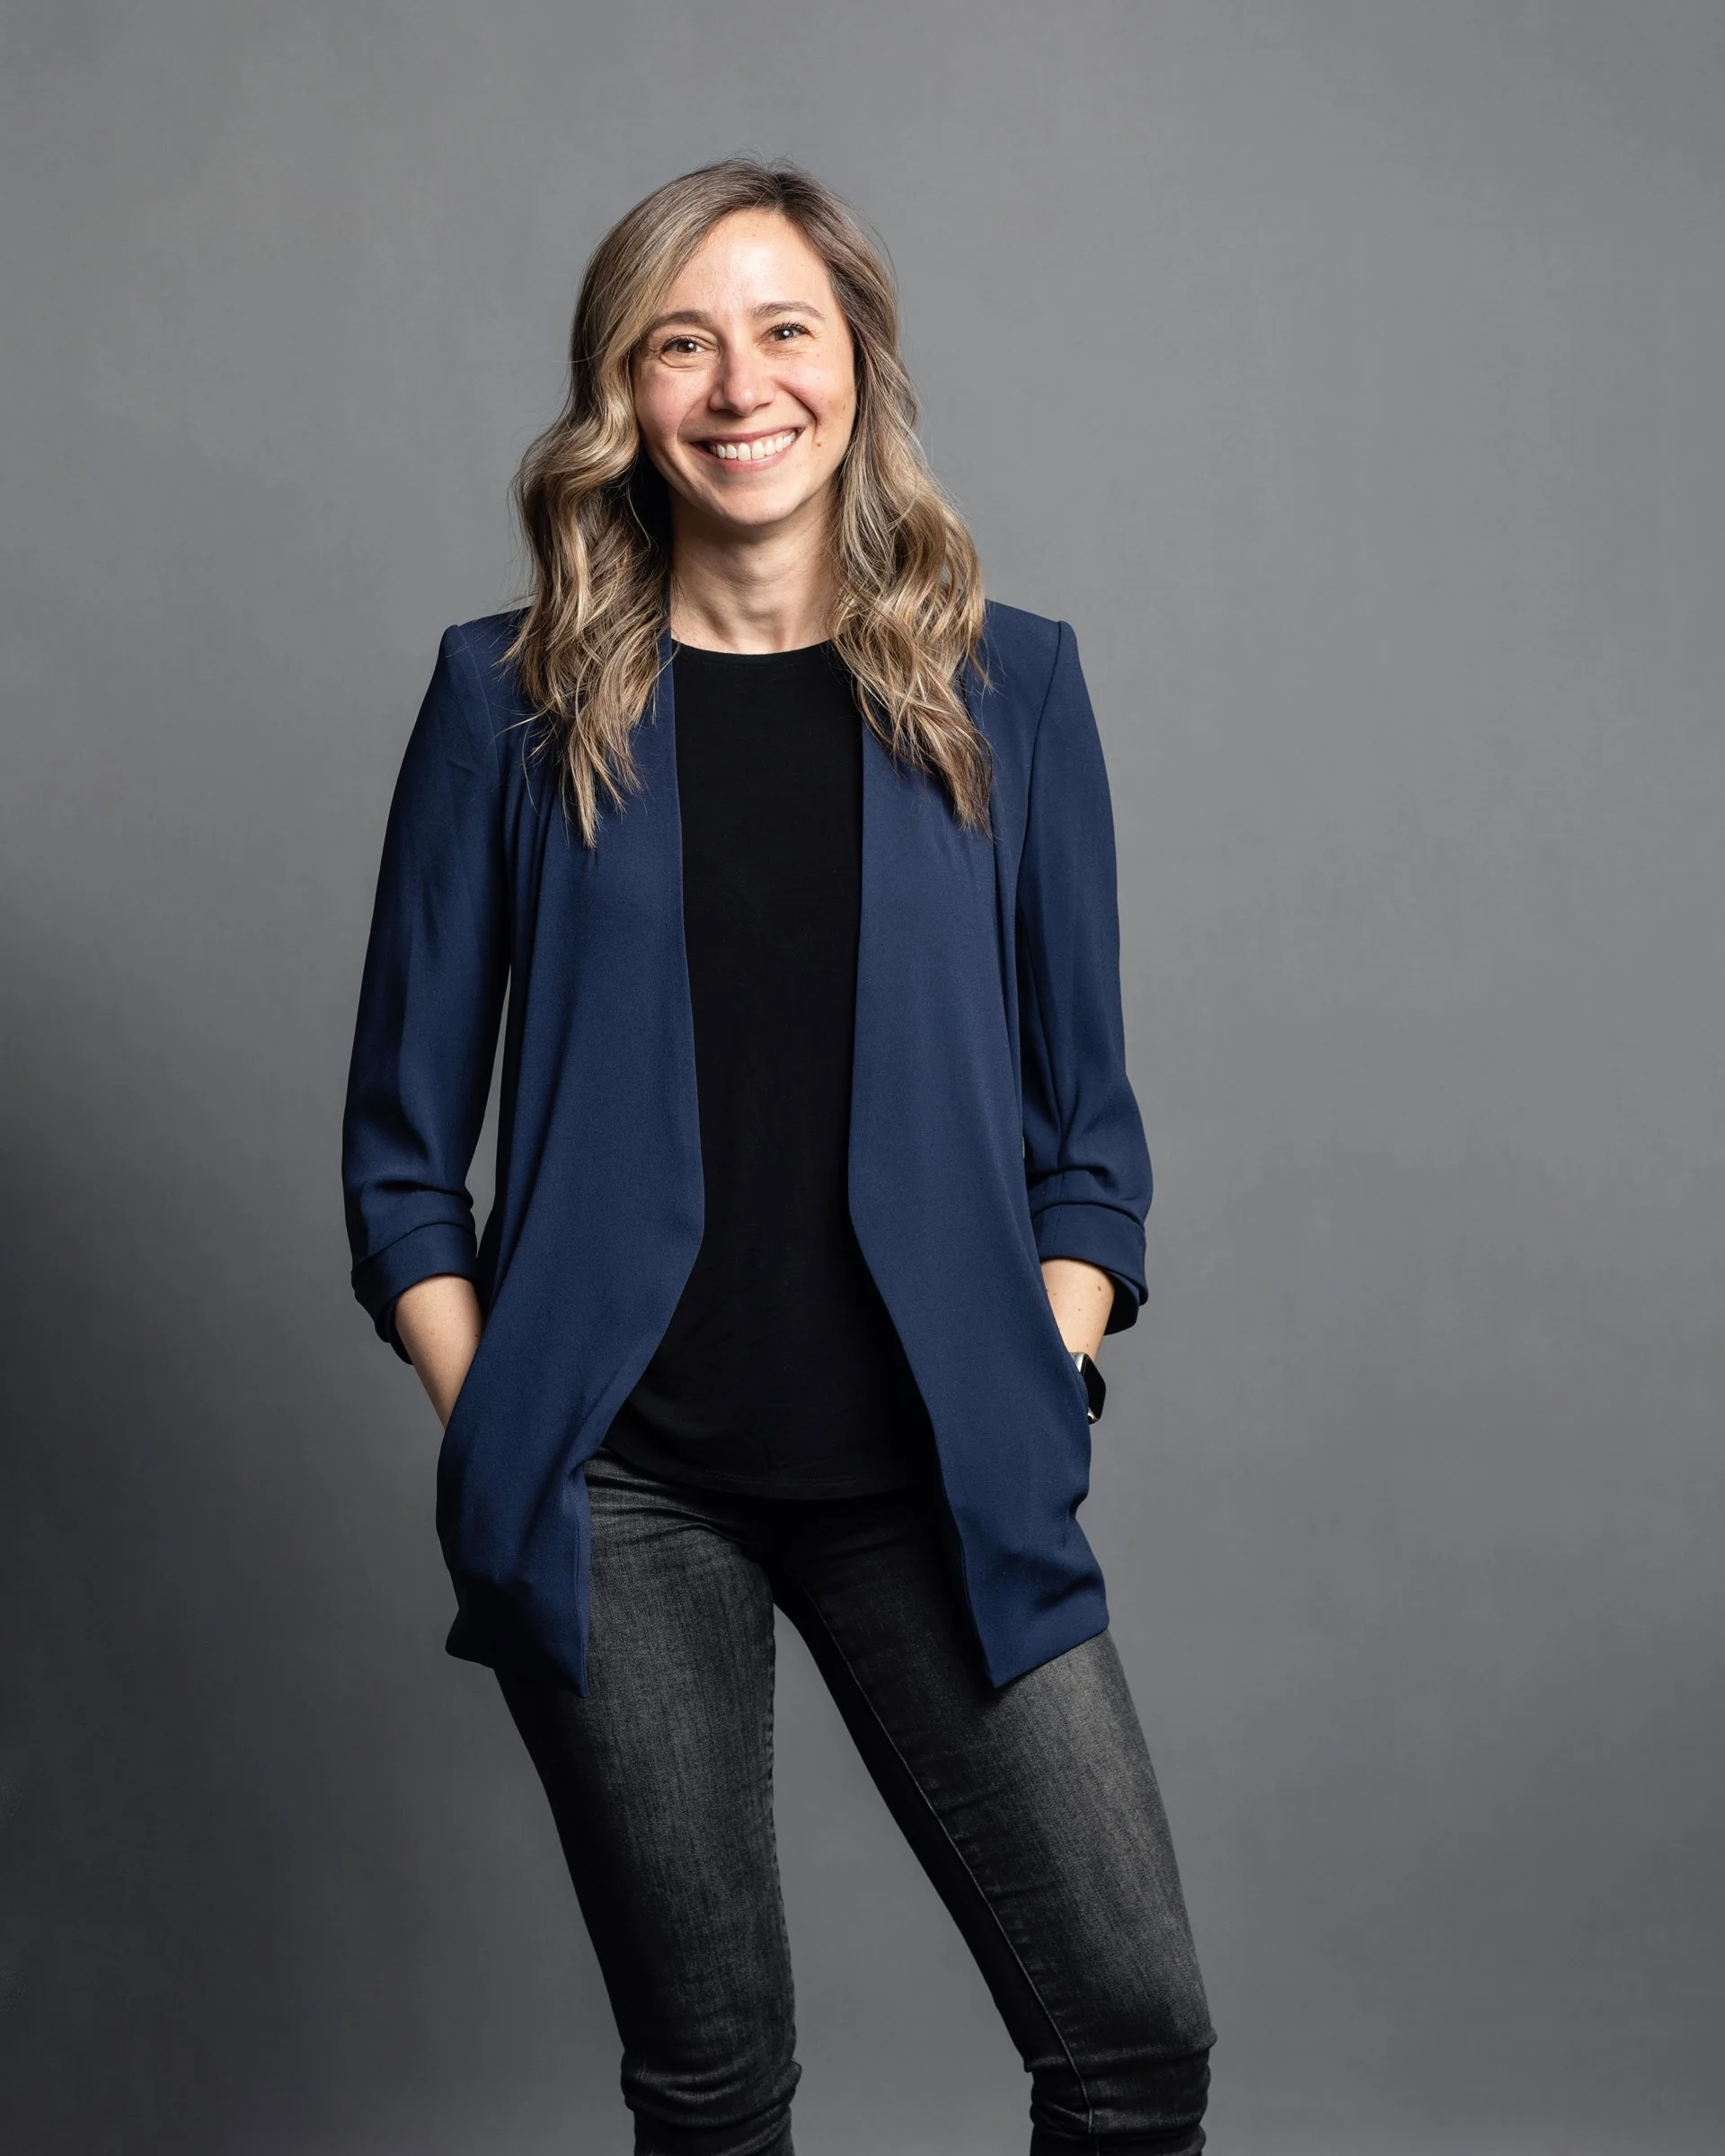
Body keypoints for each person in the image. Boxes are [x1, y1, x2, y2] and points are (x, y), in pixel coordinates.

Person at [341, 156, 1216, 2156]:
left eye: (784, 331)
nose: (741, 386)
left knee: (1134, 2042)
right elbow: (401, 1153)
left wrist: (1047, 1353)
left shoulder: (1014, 691)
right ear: (623, 395)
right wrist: (510, 1431)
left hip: (938, 1473)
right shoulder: (507, 705)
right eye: (682, 342)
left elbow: (1091, 1135)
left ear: (857, 368)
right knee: (715, 2091)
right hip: (619, 1497)